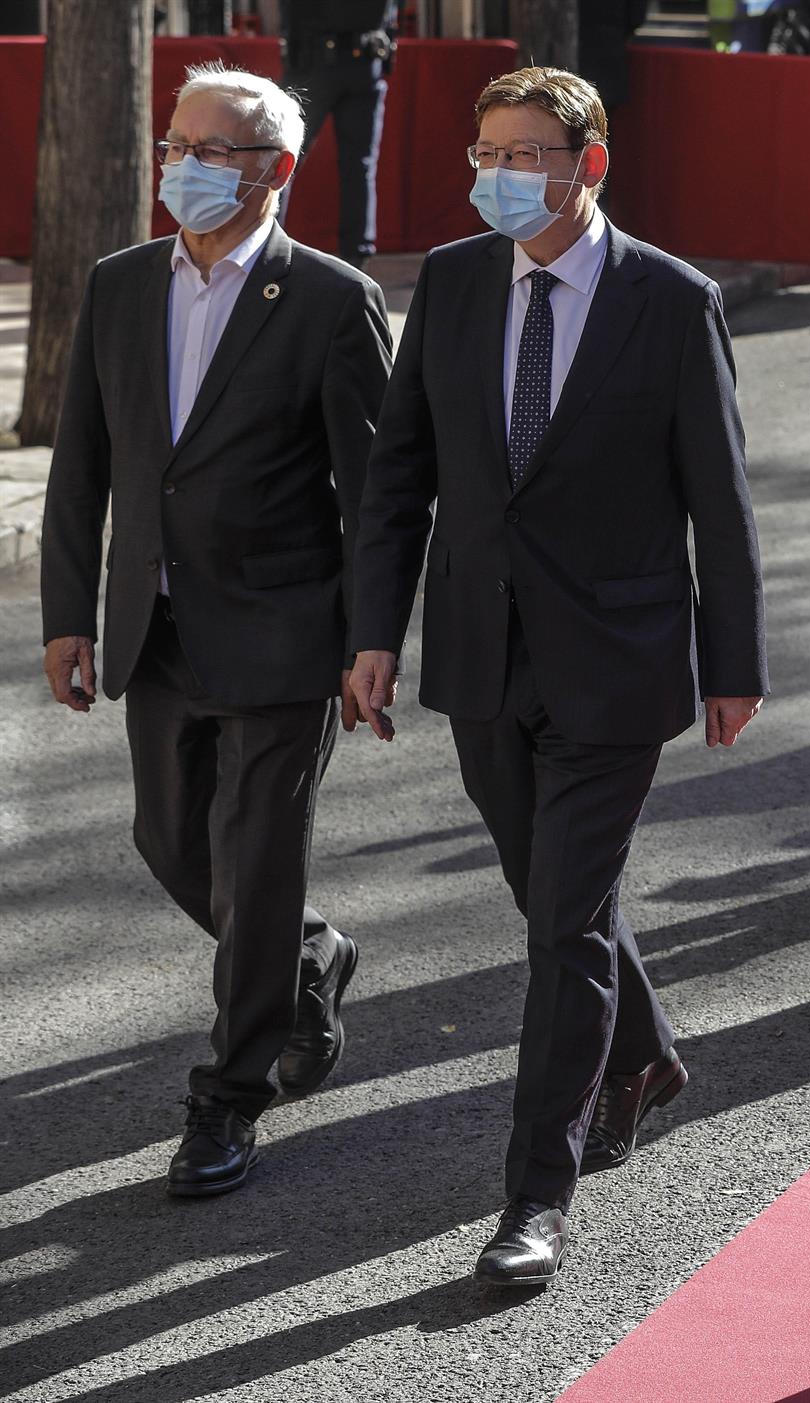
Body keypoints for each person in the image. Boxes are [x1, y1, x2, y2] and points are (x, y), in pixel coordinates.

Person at [348, 66, 769, 1287]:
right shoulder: (457, 280)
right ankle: (644, 1052)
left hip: (619, 659)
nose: (501, 173)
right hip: (481, 652)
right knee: (553, 897)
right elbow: (400, 478)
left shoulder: (670, 299)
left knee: (563, 925)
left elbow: (721, 504)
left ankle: (538, 1192)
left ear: (590, 163)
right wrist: (374, 631)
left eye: (528, 152)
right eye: (488, 151)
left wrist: (729, 662)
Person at [39, 64, 392, 1197]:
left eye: (210, 151)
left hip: (288, 631)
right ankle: (305, 956)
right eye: (173, 146)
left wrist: (370, 641)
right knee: (168, 840)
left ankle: (230, 1092)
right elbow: (83, 464)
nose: (180, 168)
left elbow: (375, 496)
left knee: (254, 853)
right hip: (158, 624)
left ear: (275, 171)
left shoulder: (333, 301)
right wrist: (65, 616)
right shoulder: (121, 283)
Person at [281, 1, 396, 269]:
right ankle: (357, 255)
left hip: (316, 60)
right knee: (359, 166)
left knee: (281, 157)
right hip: (362, 59)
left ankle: (261, 248)